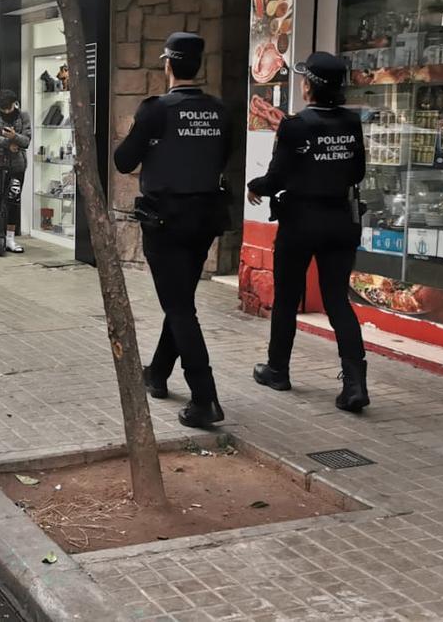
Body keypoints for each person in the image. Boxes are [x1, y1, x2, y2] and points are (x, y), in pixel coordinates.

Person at [113, 32, 232, 428]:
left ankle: (205, 398)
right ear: (197, 66)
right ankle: (158, 372)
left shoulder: (156, 110)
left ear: (167, 65)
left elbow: (123, 159)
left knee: (180, 307)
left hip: (165, 222)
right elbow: (224, 154)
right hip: (205, 220)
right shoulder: (219, 110)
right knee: (180, 300)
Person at [246, 51, 370, 413]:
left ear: (309, 85)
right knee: (336, 300)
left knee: (287, 297)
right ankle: (355, 384)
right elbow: (357, 173)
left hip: (300, 221)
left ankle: (278, 370)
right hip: (340, 221)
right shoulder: (351, 122)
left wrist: (257, 185)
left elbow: (277, 177)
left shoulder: (295, 126)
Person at [0, 90, 32, 253]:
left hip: (17, 166)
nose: (6, 112)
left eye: (8, 108)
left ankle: (10, 238)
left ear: (14, 104)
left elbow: (27, 141)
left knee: (13, 201)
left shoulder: (23, 116)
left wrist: (15, 136)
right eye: (3, 109)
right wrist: (6, 142)